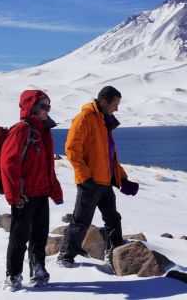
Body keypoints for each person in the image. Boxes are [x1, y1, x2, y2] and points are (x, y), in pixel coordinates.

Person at [57, 86, 139, 269]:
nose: (116, 109)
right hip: (90, 182)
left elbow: (109, 157)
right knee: (81, 221)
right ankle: (65, 255)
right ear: (104, 101)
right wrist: (85, 177)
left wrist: (122, 179)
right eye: (115, 104)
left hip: (104, 182)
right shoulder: (85, 118)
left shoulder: (104, 121)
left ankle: (116, 251)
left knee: (113, 218)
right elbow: (71, 150)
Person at [1, 90, 63, 291]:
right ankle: (13, 276)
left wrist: (54, 189)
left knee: (39, 235)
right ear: (32, 107)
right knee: (19, 237)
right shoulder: (21, 130)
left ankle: (38, 270)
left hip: (41, 193)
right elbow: (8, 164)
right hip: (24, 196)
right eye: (43, 106)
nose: (46, 110)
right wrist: (13, 195)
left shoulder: (43, 131)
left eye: (48, 106)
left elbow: (47, 166)